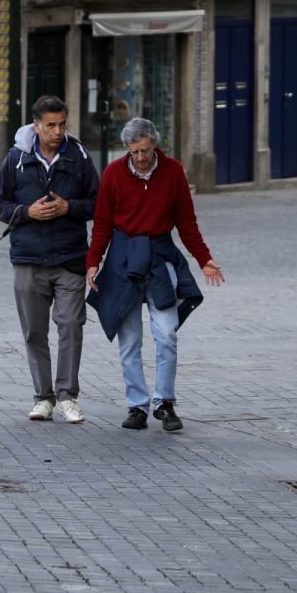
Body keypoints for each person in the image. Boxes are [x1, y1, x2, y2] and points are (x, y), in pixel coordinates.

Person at [86, 117, 224, 433]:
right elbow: (103, 223)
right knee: (130, 338)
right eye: (134, 151)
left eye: (145, 150)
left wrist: (204, 259)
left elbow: (186, 222)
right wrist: (93, 262)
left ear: (155, 144)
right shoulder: (113, 174)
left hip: (160, 257)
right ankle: (137, 405)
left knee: (167, 332)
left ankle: (165, 402)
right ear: (127, 149)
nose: (140, 157)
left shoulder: (173, 171)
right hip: (123, 260)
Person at [0, 95, 99, 424]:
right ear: (36, 125)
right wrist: (27, 212)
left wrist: (70, 208)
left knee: (69, 325)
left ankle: (67, 396)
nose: (58, 131)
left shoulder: (79, 157)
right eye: (50, 125)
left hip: (70, 258)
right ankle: (42, 397)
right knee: (34, 333)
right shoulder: (16, 159)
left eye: (62, 124)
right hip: (28, 259)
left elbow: (98, 202)